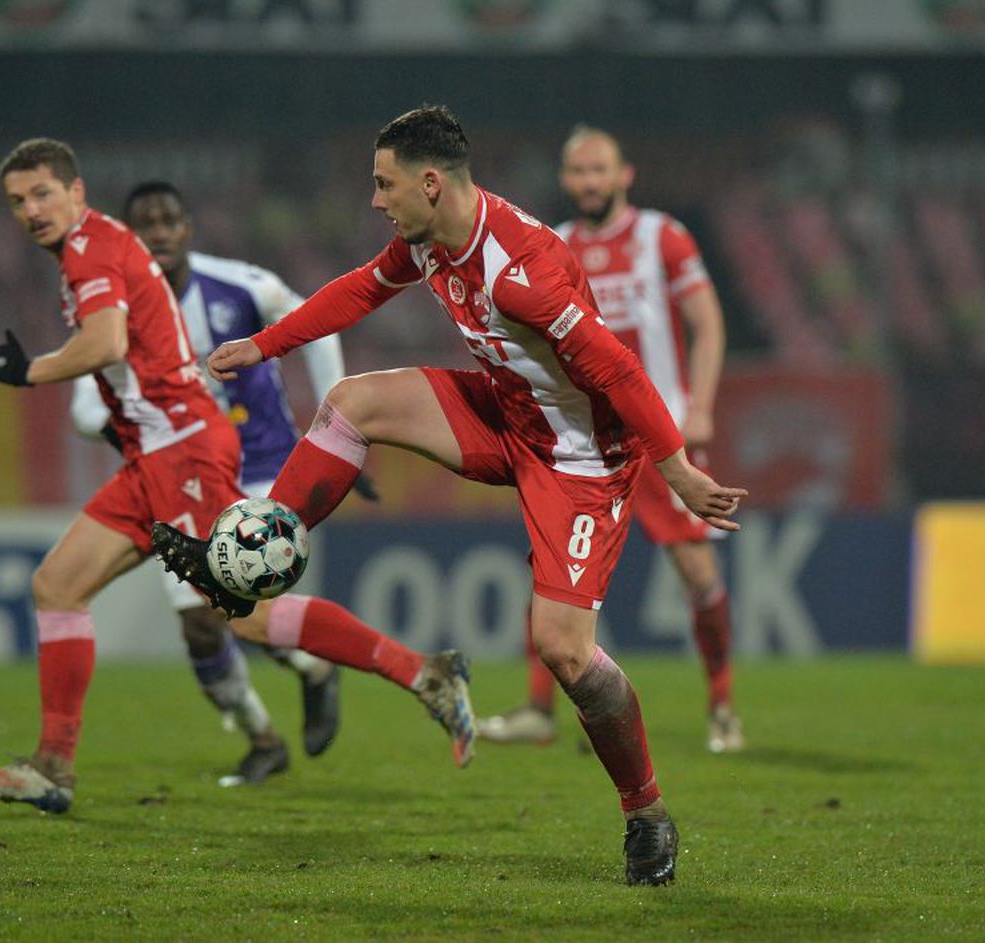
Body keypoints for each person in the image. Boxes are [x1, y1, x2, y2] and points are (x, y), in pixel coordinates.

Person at [152, 106, 746, 886]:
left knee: (564, 649)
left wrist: (678, 470)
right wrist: (265, 345)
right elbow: (359, 291)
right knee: (354, 402)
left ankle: (646, 812)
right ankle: (257, 552)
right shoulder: (431, 238)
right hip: (504, 410)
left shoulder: (520, 271)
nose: (376, 200)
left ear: (430, 183)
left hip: (580, 458)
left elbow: (618, 372)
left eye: (384, 183)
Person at [0, 138, 477, 816]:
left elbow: (107, 342)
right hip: (153, 455)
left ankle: (425, 673)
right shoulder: (92, 248)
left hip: (184, 450)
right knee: (56, 585)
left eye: (42, 194)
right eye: (17, 202)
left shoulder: (91, 249)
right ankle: (53, 765)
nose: (31, 211)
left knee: (247, 620)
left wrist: (28, 370)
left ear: (76, 193)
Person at [69, 179, 379, 786]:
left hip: (262, 463)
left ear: (188, 229)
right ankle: (271, 727)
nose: (158, 231)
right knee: (201, 624)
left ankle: (320, 679)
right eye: (145, 222)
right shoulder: (114, 306)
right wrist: (127, 423)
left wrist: (334, 420)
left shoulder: (241, 285)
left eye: (169, 220)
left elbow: (320, 326)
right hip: (180, 475)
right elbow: (83, 405)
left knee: (233, 602)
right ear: (129, 235)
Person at [480, 127, 745, 754]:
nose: (589, 182)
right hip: (587, 437)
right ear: (565, 179)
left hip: (664, 431)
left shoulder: (664, 236)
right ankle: (539, 711)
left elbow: (707, 324)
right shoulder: (554, 245)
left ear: (625, 173)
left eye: (600, 170)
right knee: (551, 569)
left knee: (697, 569)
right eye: (578, 172)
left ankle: (723, 705)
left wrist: (701, 407)